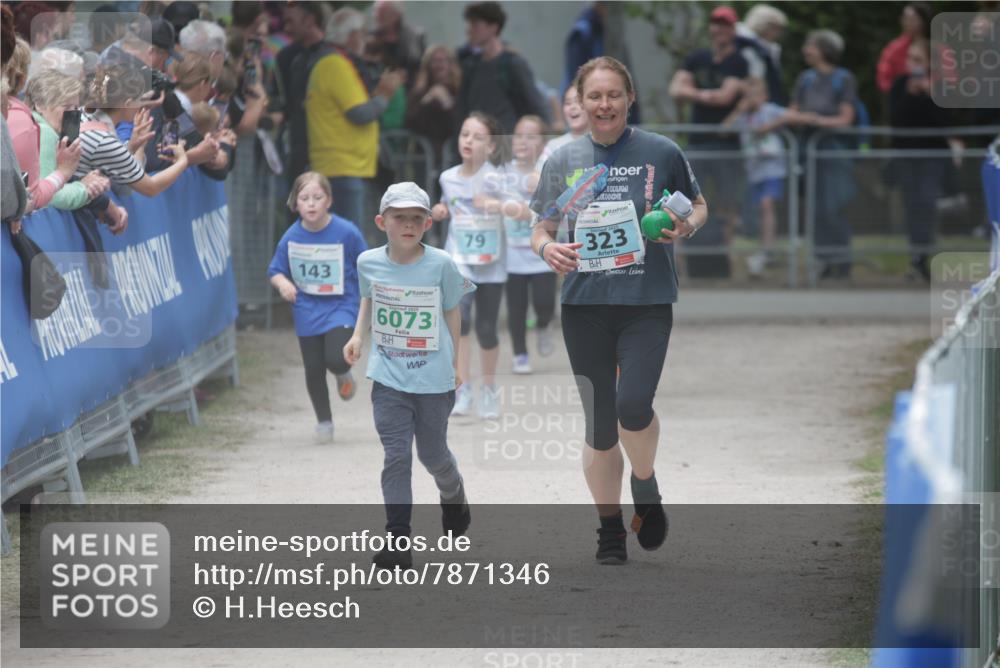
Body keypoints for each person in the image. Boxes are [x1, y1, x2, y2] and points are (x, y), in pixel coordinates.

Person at [529, 56, 707, 564]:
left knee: (633, 405)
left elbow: (698, 205)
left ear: (630, 98)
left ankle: (644, 485)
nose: (604, 104)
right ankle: (610, 528)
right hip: (584, 305)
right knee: (601, 424)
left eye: (613, 95)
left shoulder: (660, 151)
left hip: (646, 301)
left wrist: (686, 226)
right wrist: (548, 249)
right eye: (594, 96)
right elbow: (540, 226)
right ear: (580, 102)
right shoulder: (563, 159)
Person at [343, 181, 474, 570]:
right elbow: (369, 297)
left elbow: (452, 310)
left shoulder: (441, 264)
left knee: (433, 455)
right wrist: (357, 336)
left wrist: (457, 364)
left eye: (417, 218)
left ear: (428, 223)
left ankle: (453, 494)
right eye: (399, 217)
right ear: (382, 222)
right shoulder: (367, 261)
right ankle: (397, 540)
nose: (408, 224)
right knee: (397, 455)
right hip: (388, 377)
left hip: (433, 378)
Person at [268, 172, 366, 443]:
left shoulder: (347, 232)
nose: (311, 204)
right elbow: (275, 270)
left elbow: (366, 262)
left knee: (335, 357)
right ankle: (324, 422)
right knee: (313, 368)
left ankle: (343, 373)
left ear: (329, 201)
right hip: (307, 309)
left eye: (317, 197)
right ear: (295, 203)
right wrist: (283, 284)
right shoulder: (291, 237)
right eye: (304, 198)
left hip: (341, 305)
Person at [431, 112, 505, 420]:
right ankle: (462, 388)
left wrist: (497, 205)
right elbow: (447, 203)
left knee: (486, 329)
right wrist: (440, 209)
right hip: (458, 259)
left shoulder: (498, 179)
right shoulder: (447, 177)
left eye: (477, 137)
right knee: (459, 324)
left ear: (491, 146)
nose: (469, 141)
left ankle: (488, 389)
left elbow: (521, 212)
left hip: (491, 264)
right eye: (465, 134)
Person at [306, 7, 405, 227]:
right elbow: (359, 114)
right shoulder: (335, 65)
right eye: (363, 33)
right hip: (342, 168)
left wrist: (379, 93)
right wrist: (385, 95)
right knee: (347, 238)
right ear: (351, 36)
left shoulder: (333, 63)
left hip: (343, 167)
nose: (365, 39)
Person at [668, 5, 747, 245]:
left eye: (725, 24)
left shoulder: (738, 61)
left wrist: (694, 92)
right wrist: (708, 95)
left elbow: (725, 97)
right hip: (697, 141)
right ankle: (687, 254)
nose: (719, 29)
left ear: (733, 29)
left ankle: (726, 254)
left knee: (727, 202)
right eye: (716, 23)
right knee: (687, 201)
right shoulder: (697, 58)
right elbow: (675, 90)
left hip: (726, 145)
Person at [722, 77, 808, 276]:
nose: (752, 100)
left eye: (756, 95)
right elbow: (724, 130)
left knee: (766, 204)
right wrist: (738, 110)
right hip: (754, 171)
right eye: (748, 96)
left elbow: (793, 116)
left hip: (772, 168)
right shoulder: (743, 116)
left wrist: (770, 126)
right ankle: (764, 246)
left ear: (764, 96)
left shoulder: (769, 111)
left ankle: (768, 249)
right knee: (758, 210)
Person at [789, 29, 858, 280]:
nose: (806, 50)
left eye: (811, 45)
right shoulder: (805, 79)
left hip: (833, 151)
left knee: (833, 206)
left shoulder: (843, 79)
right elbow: (792, 112)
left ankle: (842, 260)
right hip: (808, 151)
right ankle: (823, 261)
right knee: (815, 208)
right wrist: (801, 118)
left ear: (825, 50)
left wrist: (817, 120)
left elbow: (846, 118)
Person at [888, 39, 956, 282]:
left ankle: (923, 255)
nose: (912, 64)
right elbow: (895, 120)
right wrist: (909, 95)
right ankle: (916, 256)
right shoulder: (900, 85)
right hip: (907, 156)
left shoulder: (940, 87)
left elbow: (945, 122)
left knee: (927, 202)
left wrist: (929, 94)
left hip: (932, 157)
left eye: (917, 59)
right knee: (911, 205)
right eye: (910, 58)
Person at [499, 115, 556, 374]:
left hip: (542, 249)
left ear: (543, 144)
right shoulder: (502, 172)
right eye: (519, 135)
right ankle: (520, 354)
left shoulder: (549, 170)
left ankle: (544, 325)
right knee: (516, 308)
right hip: (512, 253)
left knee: (545, 304)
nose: (523, 141)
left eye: (531, 136)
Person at [80, 63, 189, 198]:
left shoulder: (80, 113)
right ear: (128, 104)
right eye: (140, 99)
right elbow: (150, 188)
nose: (142, 105)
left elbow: (124, 183)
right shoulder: (105, 141)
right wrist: (182, 161)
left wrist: (134, 146)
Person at [26, 69, 112, 215]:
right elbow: (49, 195)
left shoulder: (30, 124)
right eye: (66, 106)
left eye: (76, 108)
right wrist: (85, 189)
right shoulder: (45, 132)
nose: (72, 114)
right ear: (40, 105)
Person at [456, 1, 546, 133]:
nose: (469, 30)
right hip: (478, 138)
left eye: (475, 24)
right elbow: (461, 108)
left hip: (506, 138)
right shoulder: (470, 66)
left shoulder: (513, 64)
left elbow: (535, 105)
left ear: (493, 27)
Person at [275, 0, 332, 182]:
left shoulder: (334, 57)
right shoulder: (287, 58)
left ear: (309, 20)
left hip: (331, 149)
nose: (286, 29)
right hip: (298, 145)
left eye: (291, 21)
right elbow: (285, 100)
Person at [735, 3, 788, 105]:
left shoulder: (769, 49)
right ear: (764, 25)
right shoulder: (747, 45)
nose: (779, 34)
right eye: (776, 29)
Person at [877, 2, 932, 95]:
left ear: (923, 21)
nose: (906, 22)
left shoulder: (938, 48)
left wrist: (929, 86)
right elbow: (883, 77)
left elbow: (950, 79)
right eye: (905, 18)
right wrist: (899, 90)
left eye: (912, 19)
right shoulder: (894, 48)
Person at [372, 0, 426, 87]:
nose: (377, 16)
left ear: (396, 14)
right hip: (383, 90)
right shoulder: (370, 40)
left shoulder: (415, 36)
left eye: (383, 12)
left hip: (413, 88)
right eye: (376, 12)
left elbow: (424, 65)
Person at [540, 85, 589, 165]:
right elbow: (538, 172)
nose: (572, 107)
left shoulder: (604, 142)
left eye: (578, 101)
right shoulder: (553, 146)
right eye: (568, 103)